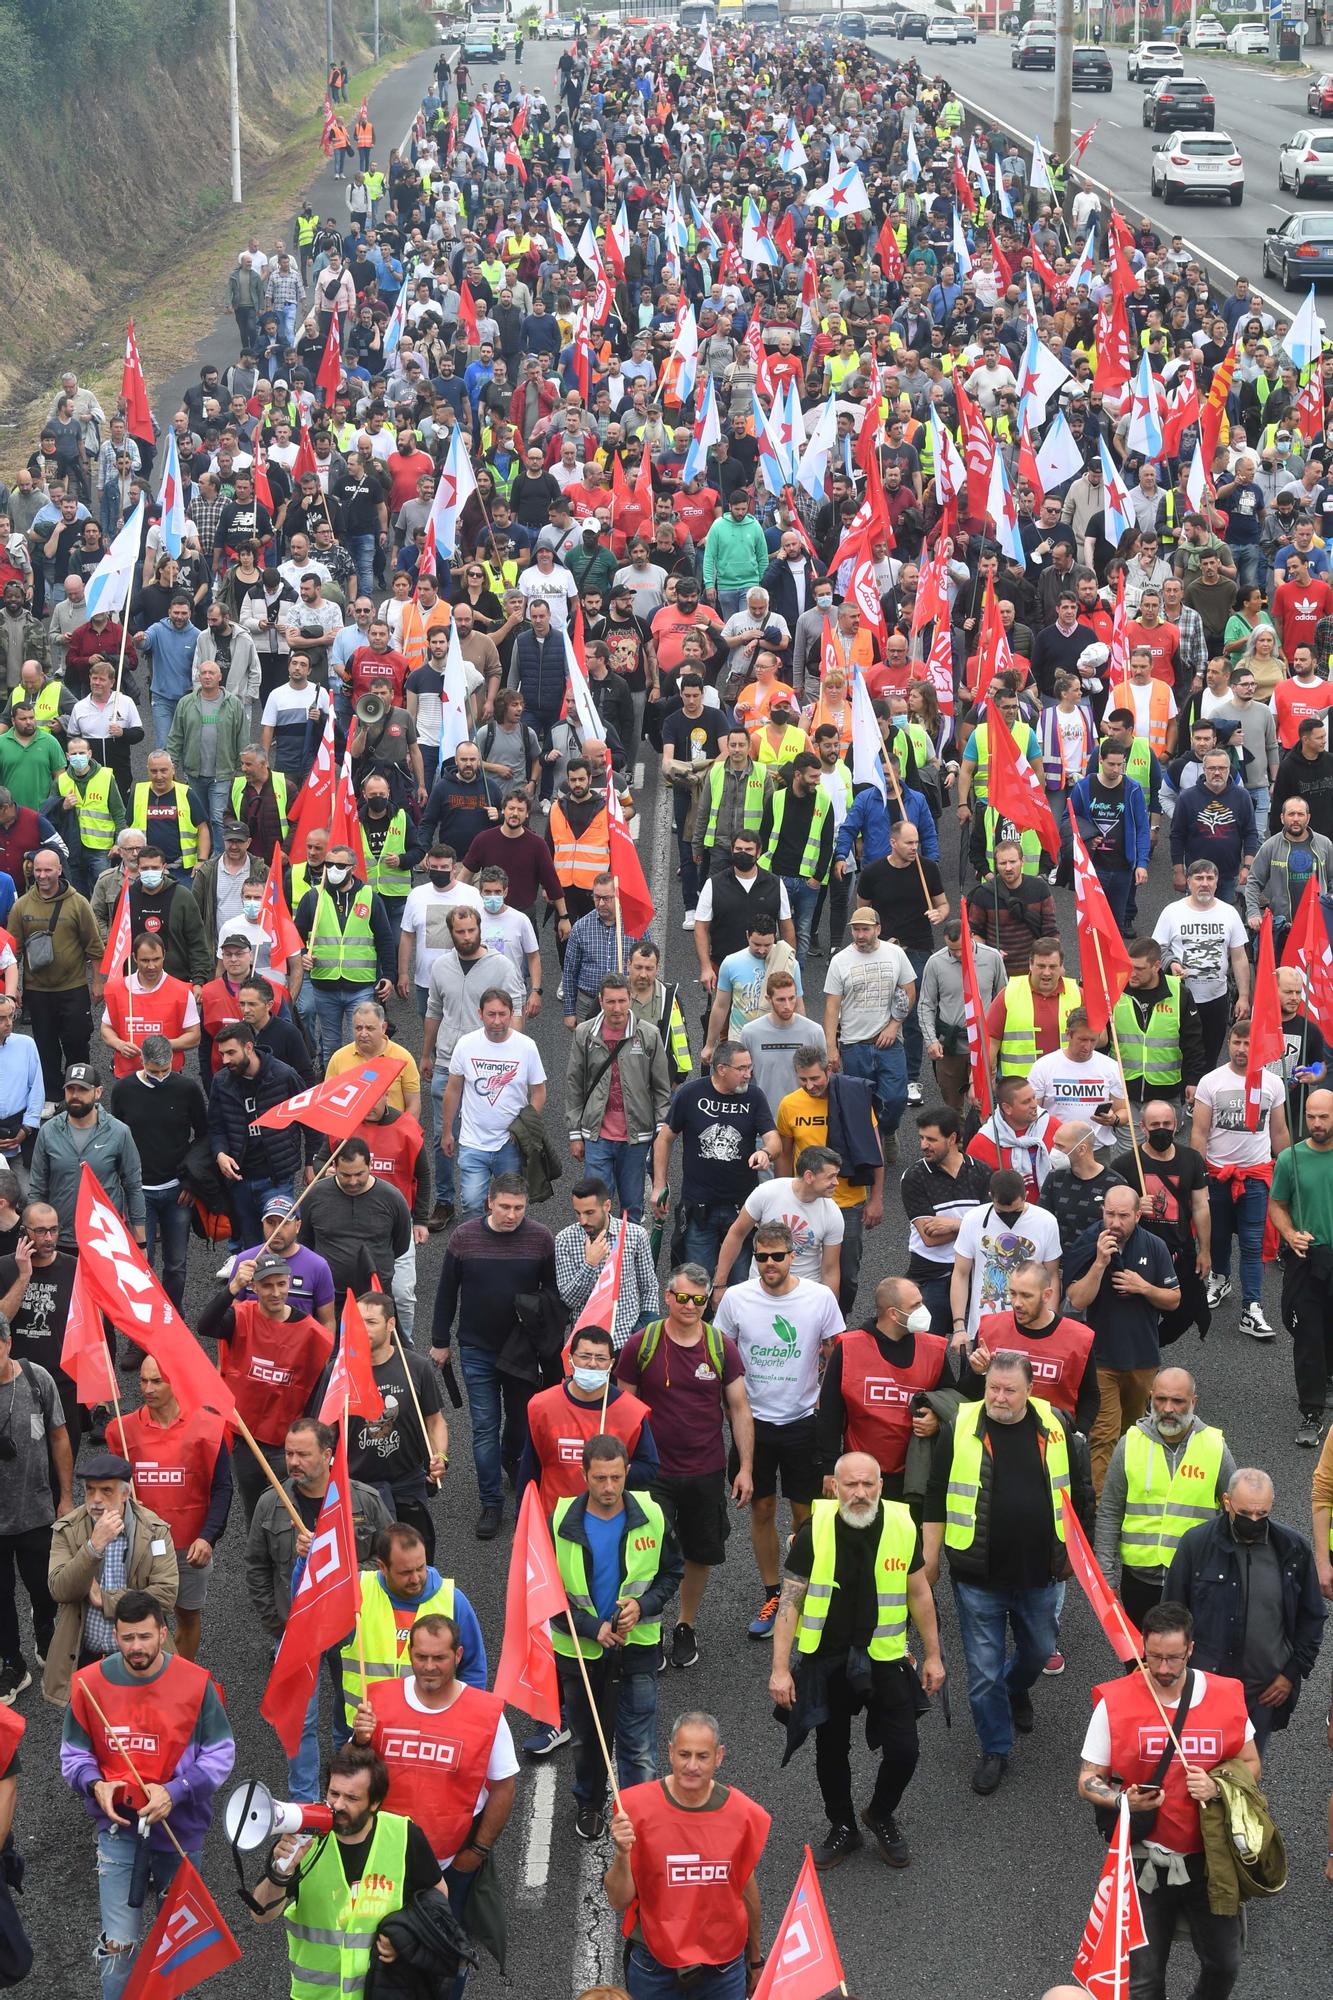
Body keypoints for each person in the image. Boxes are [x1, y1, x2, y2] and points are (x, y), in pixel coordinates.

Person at [924, 1351, 1093, 1796]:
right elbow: (936, 1493)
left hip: (1040, 1574)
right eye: (992, 1388)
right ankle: (996, 1747)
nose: (998, 1397)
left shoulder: (1056, 1425)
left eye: (1009, 1390)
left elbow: (1081, 1492)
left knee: (1038, 1651)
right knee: (982, 1672)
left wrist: (1082, 1555)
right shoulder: (959, 1427)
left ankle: (1015, 1686)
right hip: (978, 1576)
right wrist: (931, 1557)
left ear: (1030, 1390)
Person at [769, 1450, 944, 1870]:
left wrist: (934, 1656)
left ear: (881, 1486)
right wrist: (779, 1668)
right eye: (851, 1484)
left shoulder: (903, 1525)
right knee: (831, 1751)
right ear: (835, 1486)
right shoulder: (816, 1530)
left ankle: (879, 1813)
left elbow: (919, 1593)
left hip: (884, 1657)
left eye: (868, 1484)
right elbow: (790, 1602)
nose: (860, 1493)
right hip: (827, 1660)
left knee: (905, 1750)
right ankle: (843, 1826)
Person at [1077, 1602, 1258, 1999]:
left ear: (1190, 1649)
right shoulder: (1115, 1702)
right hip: (1146, 1862)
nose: (1162, 1668)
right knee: (1142, 1981)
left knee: (1224, 1964)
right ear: (1142, 1646)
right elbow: (1089, 1780)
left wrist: (1217, 1787)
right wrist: (1123, 1800)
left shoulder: (1227, 1696)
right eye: (1154, 1656)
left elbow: (1251, 1763)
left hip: (1211, 1859)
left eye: (1173, 1658)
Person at [60, 1591, 234, 2000]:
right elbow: (72, 1754)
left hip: (181, 1833)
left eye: (144, 1637)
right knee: (118, 1945)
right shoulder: (89, 1684)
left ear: (162, 1632)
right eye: (126, 1639)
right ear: (115, 1637)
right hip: (118, 1832)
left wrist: (176, 1791)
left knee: (176, 1945)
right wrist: (94, 1784)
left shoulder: (196, 1683)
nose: (136, 1648)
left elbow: (222, 1754)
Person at [244, 1418, 392, 1802]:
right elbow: (256, 1566)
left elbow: (389, 1561)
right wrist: (276, 1624)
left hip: (350, 1628)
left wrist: (340, 1566)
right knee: (299, 1722)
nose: (292, 1462)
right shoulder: (270, 1503)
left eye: (302, 1454)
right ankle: (305, 1803)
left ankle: (350, 1795)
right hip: (298, 1631)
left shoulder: (363, 1500)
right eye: (289, 1454)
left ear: (327, 1455)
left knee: (350, 1718)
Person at [350, 1611, 516, 1949]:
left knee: (443, 1957)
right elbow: (347, 1777)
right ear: (408, 1653)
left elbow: (504, 1787)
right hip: (381, 1862)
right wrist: (358, 1742)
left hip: (450, 1865)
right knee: (375, 1954)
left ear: (457, 1655)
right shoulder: (377, 1700)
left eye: (439, 1657)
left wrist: (477, 1852)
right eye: (421, 1656)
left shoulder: (487, 1714)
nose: (429, 1666)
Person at [616, 1269, 754, 1673]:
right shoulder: (642, 1345)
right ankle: (651, 1625)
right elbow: (626, 1408)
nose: (690, 1306)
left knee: (699, 1551)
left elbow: (740, 1409)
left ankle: (685, 1624)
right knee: (650, 1552)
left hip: (706, 1470)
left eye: (699, 1299)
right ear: (667, 1297)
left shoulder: (721, 1346)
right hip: (653, 1472)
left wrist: (745, 1467)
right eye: (683, 1298)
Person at [712, 1222, 842, 1638]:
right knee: (763, 1510)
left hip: (804, 1422)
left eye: (777, 1256)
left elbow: (835, 1351)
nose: (769, 1264)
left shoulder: (819, 1297)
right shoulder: (736, 1298)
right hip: (754, 1424)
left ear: (792, 1255)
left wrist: (828, 1404)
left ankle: (802, 1593)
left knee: (806, 1515)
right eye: (762, 1257)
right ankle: (773, 1594)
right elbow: (719, 1351)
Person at [551, 1434, 684, 1839]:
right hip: (580, 1652)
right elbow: (546, 1595)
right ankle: (589, 1805)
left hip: (638, 1649)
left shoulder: (653, 1514)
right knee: (586, 1741)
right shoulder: (558, 1522)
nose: (608, 1488)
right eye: (599, 1479)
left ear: (628, 1472)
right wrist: (594, 1628)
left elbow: (671, 1573)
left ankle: (638, 1813)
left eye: (615, 1477)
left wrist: (642, 1608)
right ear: (583, 1475)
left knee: (639, 1743)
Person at [250, 1742, 452, 1993]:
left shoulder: (405, 1836)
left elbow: (437, 1896)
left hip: (382, 1992)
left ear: (375, 1802)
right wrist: (280, 1873)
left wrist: (408, 1938)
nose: (338, 1805)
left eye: (352, 1798)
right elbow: (260, 1915)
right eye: (334, 1794)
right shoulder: (303, 1836)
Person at [604, 1711, 769, 2000]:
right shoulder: (634, 1809)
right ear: (670, 1753)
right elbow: (618, 1900)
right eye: (684, 1754)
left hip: (723, 1967)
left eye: (702, 1756)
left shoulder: (743, 1815)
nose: (692, 1766)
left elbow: (746, 1891)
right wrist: (621, 1853)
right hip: (653, 1964)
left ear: (719, 1756)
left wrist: (755, 1961)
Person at [431, 1173, 557, 1540]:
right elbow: (445, 1292)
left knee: (520, 1421)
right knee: (484, 1426)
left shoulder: (540, 1238)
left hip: (521, 1352)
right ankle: (491, 1502)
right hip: (477, 1350)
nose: (511, 1215)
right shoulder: (463, 1238)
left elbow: (549, 1293)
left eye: (519, 1208)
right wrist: (440, 1340)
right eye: (504, 1206)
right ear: (489, 1202)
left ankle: (511, 1456)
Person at [1095, 1366, 1237, 1631]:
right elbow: (1110, 1512)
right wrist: (1105, 1577)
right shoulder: (1130, 1443)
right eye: (1160, 1399)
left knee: (1190, 1661)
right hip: (1138, 1581)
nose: (1168, 1408)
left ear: (1194, 1402)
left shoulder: (1215, 1447)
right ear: (1150, 1398)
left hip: (1194, 1581)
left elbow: (1237, 1513)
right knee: (1138, 1660)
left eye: (1178, 1401)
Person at [1065, 1181, 1183, 1496]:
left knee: (1133, 1433)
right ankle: (1100, 1509)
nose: (1115, 1223)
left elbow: (1173, 1299)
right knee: (1103, 1434)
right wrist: (1100, 1263)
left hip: (1143, 1358)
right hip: (1101, 1358)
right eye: (1110, 1215)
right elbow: (1077, 1300)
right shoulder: (1090, 1243)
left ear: (1137, 1216)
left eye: (1123, 1216)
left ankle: (1130, 1497)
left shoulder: (1155, 1246)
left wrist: (1143, 1287)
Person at [198, 1247, 332, 1518]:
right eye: (267, 1285)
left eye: (281, 1284)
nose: (275, 1292)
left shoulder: (312, 1334)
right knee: (256, 1513)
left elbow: (318, 1393)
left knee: (292, 1512)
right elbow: (205, 1325)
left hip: (288, 1444)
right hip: (246, 1440)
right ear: (255, 1288)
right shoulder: (241, 1316)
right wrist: (232, 1288)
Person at [42, 1452, 178, 1705]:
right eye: (90, 1490)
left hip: (139, 1656)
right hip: (87, 1657)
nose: (96, 1500)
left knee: (141, 1730)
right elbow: (59, 1589)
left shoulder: (155, 1530)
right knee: (89, 1735)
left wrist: (106, 1599)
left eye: (106, 1491)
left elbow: (166, 1595)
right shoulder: (68, 1529)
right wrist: (93, 1547)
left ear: (125, 1494)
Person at [817, 1275, 953, 1507]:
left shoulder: (934, 1350)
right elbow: (830, 1412)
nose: (924, 1310)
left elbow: (953, 1398)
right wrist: (830, 1468)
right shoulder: (849, 1349)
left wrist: (937, 1419)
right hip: (861, 1478)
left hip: (915, 1478)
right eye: (916, 1306)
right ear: (893, 1314)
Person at [1191, 1022, 1288, 1338]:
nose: (1242, 1049)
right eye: (1236, 1042)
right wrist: (1198, 1176)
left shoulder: (1273, 1083)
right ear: (1228, 1043)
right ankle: (1220, 1279)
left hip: (1256, 1178)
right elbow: (1199, 1132)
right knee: (1217, 1237)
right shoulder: (1211, 1081)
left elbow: (1279, 1131)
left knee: (1252, 1244)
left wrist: (1288, 1173)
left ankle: (1253, 1308)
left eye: (1248, 1043)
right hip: (1218, 1175)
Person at [651, 1042, 778, 1279]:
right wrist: (659, 1185)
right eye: (741, 1068)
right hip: (699, 1208)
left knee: (739, 1284)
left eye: (750, 1067)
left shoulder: (754, 1097)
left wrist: (766, 1153)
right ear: (721, 1069)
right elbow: (664, 1139)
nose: (748, 1074)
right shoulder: (691, 1094)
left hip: (741, 1209)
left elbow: (774, 1140)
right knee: (699, 1282)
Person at [340, 1521, 487, 1724]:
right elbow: (306, 1611)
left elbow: (473, 1669)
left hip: (430, 1732)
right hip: (364, 1734)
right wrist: (305, 1563)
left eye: (421, 1568)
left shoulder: (454, 1600)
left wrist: (464, 1720)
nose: (416, 1578)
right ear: (383, 1567)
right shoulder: (357, 1591)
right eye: (406, 1572)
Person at [0, 1305, 72, 1702]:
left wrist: (65, 1498)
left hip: (37, 1513)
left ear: (8, 1343)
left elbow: (59, 1436)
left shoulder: (35, 1378)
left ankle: (46, 1636)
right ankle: (13, 1663)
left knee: (45, 1590)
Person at [342, 1289, 447, 1554]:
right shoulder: (339, 1371)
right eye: (358, 1321)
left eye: (371, 1322)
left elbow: (435, 1421)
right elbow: (324, 1429)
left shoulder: (417, 1367)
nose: (362, 1328)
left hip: (408, 1484)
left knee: (414, 1565)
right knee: (366, 1567)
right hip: (358, 1488)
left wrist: (440, 1457)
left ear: (391, 1324)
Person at [566, 975, 671, 1227]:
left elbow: (661, 1088)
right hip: (596, 1135)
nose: (616, 1008)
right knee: (595, 1206)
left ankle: (627, 1261)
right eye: (610, 1001)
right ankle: (598, 1259)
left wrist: (660, 1131)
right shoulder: (584, 1034)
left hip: (636, 1138)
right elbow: (574, 1084)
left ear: (630, 1000)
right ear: (601, 1000)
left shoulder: (648, 1034)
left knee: (632, 1206)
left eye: (622, 1001)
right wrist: (574, 1134)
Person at [959, 1260, 1099, 1437]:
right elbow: (966, 1395)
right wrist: (978, 1373)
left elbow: (1090, 1395)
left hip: (1053, 1440)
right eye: (1013, 1293)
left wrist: (1078, 1434)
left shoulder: (1079, 1338)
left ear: (1046, 1295)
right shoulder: (990, 1328)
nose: (1016, 1303)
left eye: (1026, 1295)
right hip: (995, 1436)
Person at [442, 987, 547, 1217]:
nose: (497, 1021)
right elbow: (453, 1089)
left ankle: (506, 1249)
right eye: (491, 1014)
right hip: (473, 1141)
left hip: (510, 1144)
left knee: (510, 1206)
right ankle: (476, 1250)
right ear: (480, 1014)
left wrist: (524, 1126)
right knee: (471, 1203)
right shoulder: (466, 1044)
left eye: (502, 1014)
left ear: (511, 1014)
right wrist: (447, 1131)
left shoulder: (526, 1046)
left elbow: (539, 1093)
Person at [9, 848, 103, 1104]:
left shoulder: (78, 903)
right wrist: (14, 988)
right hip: (37, 991)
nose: (42, 875)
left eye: (48, 869)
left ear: (60, 869)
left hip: (73, 987)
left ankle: (82, 1090)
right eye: (37, 870)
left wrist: (97, 982)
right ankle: (50, 1094)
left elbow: (94, 946)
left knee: (78, 1041)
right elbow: (12, 952)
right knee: (45, 1045)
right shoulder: (22, 906)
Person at [292, 841, 396, 1065]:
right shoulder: (313, 898)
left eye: (339, 866)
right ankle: (331, 1090)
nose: (332, 870)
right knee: (331, 1046)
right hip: (324, 985)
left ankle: (361, 1091)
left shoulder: (370, 897)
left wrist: (389, 976)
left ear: (352, 868)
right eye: (329, 864)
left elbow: (385, 940)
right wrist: (302, 954)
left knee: (362, 1042)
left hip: (361, 985)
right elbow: (294, 935)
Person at [1270, 1085, 1333, 1447]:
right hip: (1306, 1259)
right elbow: (1277, 1205)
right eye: (1311, 1116)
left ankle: (1326, 1379)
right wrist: (1290, 1234)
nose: (1316, 1123)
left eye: (1323, 1116)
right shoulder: (1289, 1159)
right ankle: (1311, 1412)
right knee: (1306, 1334)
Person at [207, 1021, 308, 1244]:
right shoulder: (221, 1082)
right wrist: (220, 1154)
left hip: (277, 1178)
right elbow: (216, 1127)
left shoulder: (284, 1075)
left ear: (249, 1047)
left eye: (231, 1052)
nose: (225, 1060)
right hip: (240, 1179)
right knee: (251, 1247)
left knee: (279, 1242)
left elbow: (310, 1118)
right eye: (222, 1054)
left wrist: (311, 1162)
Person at [29, 1063, 145, 1254]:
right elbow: (37, 1189)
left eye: (82, 1089)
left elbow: (133, 1187)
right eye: (70, 1089)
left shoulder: (119, 1132)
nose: (75, 1095)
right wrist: (35, 1237)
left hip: (106, 1240)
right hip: (59, 1240)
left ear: (98, 1092)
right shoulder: (48, 1131)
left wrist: (140, 1243)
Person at [300, 1134, 415, 1316]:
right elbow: (305, 1242)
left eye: (359, 1174)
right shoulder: (315, 1196)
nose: (353, 1181)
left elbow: (400, 1244)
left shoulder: (392, 1198)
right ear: (334, 1167)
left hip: (376, 1299)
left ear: (370, 1166)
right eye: (345, 1175)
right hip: (328, 1298)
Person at [950, 1168, 1062, 1347]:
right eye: (1001, 1212)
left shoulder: (1046, 1222)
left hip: (1032, 1329)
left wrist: (1051, 1326)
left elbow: (1052, 1276)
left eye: (1016, 1211)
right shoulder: (973, 1219)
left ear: (1026, 1195)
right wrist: (959, 1327)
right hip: (984, 1329)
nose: (1009, 1218)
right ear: (990, 1196)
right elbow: (960, 1274)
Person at [553, 1179, 662, 1355]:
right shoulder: (565, 1240)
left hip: (627, 1342)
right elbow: (568, 1299)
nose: (583, 1220)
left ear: (607, 1205)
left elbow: (648, 1286)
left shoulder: (635, 1235)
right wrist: (590, 1265)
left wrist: (644, 1329)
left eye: (589, 1213)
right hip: (586, 1348)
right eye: (578, 1213)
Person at [917, 918, 1007, 1112]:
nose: (957, 954)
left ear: (971, 937)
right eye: (952, 950)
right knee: (952, 1108)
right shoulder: (936, 963)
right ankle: (956, 1142)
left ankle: (982, 1140)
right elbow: (926, 1004)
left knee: (984, 1103)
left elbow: (1003, 998)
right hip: (950, 1047)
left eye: (961, 948)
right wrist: (931, 1040)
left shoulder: (992, 958)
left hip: (984, 1045)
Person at [1113, 936, 1207, 1105]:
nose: (1132, 974)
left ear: (1156, 966)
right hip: (1122, 1092)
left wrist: (1194, 1080)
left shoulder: (1180, 993)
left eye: (1139, 969)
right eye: (1129, 967)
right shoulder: (1115, 989)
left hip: (1167, 1093)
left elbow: (1193, 1042)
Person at [983, 934, 1081, 1078]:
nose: (1046, 972)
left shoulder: (1078, 994)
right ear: (1030, 964)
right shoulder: (1009, 993)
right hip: (1020, 1088)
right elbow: (990, 1041)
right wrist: (979, 1081)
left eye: (1052, 967)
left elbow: (1099, 1038)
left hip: (1066, 1085)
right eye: (1041, 966)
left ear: (1061, 966)